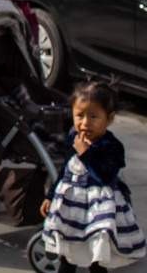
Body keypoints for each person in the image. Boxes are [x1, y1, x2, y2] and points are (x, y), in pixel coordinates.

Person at [41, 81, 145, 272]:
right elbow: (66, 170)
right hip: (72, 206)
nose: (85, 122)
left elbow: (104, 176)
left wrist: (85, 153)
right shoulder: (74, 137)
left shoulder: (111, 146)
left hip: (99, 207)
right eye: (79, 115)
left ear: (109, 118)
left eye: (94, 116)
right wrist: (50, 196)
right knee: (68, 250)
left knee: (97, 251)